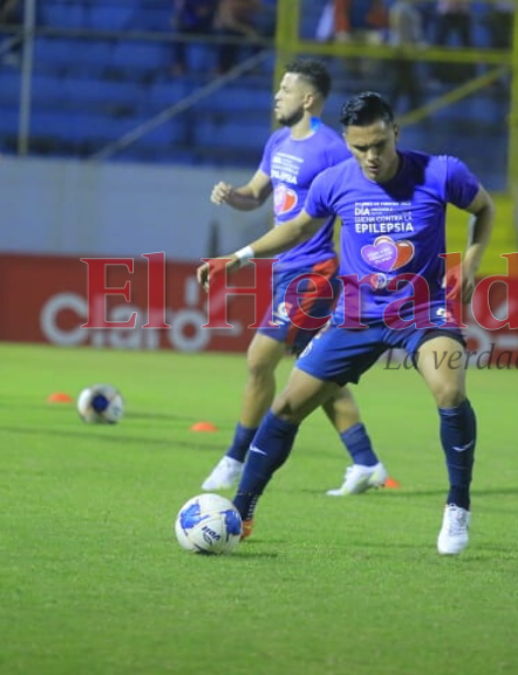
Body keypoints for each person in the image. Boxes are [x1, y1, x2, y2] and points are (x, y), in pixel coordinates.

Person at [197, 91, 494, 555]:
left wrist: (471, 260)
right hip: (357, 315)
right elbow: (297, 228)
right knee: (287, 407)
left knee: (450, 392)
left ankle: (458, 505)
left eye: (379, 145)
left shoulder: (441, 172)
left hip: (422, 309)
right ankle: (241, 511)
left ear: (395, 132)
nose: (371, 157)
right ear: (347, 142)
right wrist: (240, 256)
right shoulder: (335, 181)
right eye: (359, 147)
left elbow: (484, 208)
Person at [202, 59, 389, 496]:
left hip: (315, 271)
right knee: (316, 372)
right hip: (284, 269)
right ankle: (366, 462)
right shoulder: (278, 142)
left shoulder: (331, 148)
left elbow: (367, 189)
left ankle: (234, 459)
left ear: (307, 99)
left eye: (286, 89)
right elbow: (255, 195)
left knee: (258, 359)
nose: (277, 95)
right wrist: (233, 195)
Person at [172, 0, 220, 75]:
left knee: (221, 36)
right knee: (179, 35)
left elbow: (205, 12)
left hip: (209, 26)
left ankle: (218, 67)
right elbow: (182, 14)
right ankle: (180, 65)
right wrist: (178, 17)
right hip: (192, 26)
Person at [214, 0, 263, 73]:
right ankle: (224, 68)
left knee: (258, 37)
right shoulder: (227, 1)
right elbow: (229, 23)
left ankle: (256, 66)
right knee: (229, 38)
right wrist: (247, 31)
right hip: (229, 28)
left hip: (245, 26)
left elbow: (258, 9)